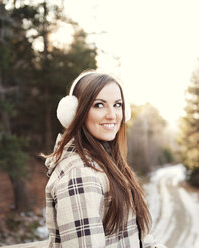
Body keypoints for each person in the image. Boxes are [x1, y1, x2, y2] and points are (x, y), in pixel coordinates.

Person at [44, 70, 166, 248]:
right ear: (76, 112)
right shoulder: (80, 176)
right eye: (99, 105)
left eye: (117, 105)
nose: (112, 114)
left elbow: (136, 239)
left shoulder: (107, 163)